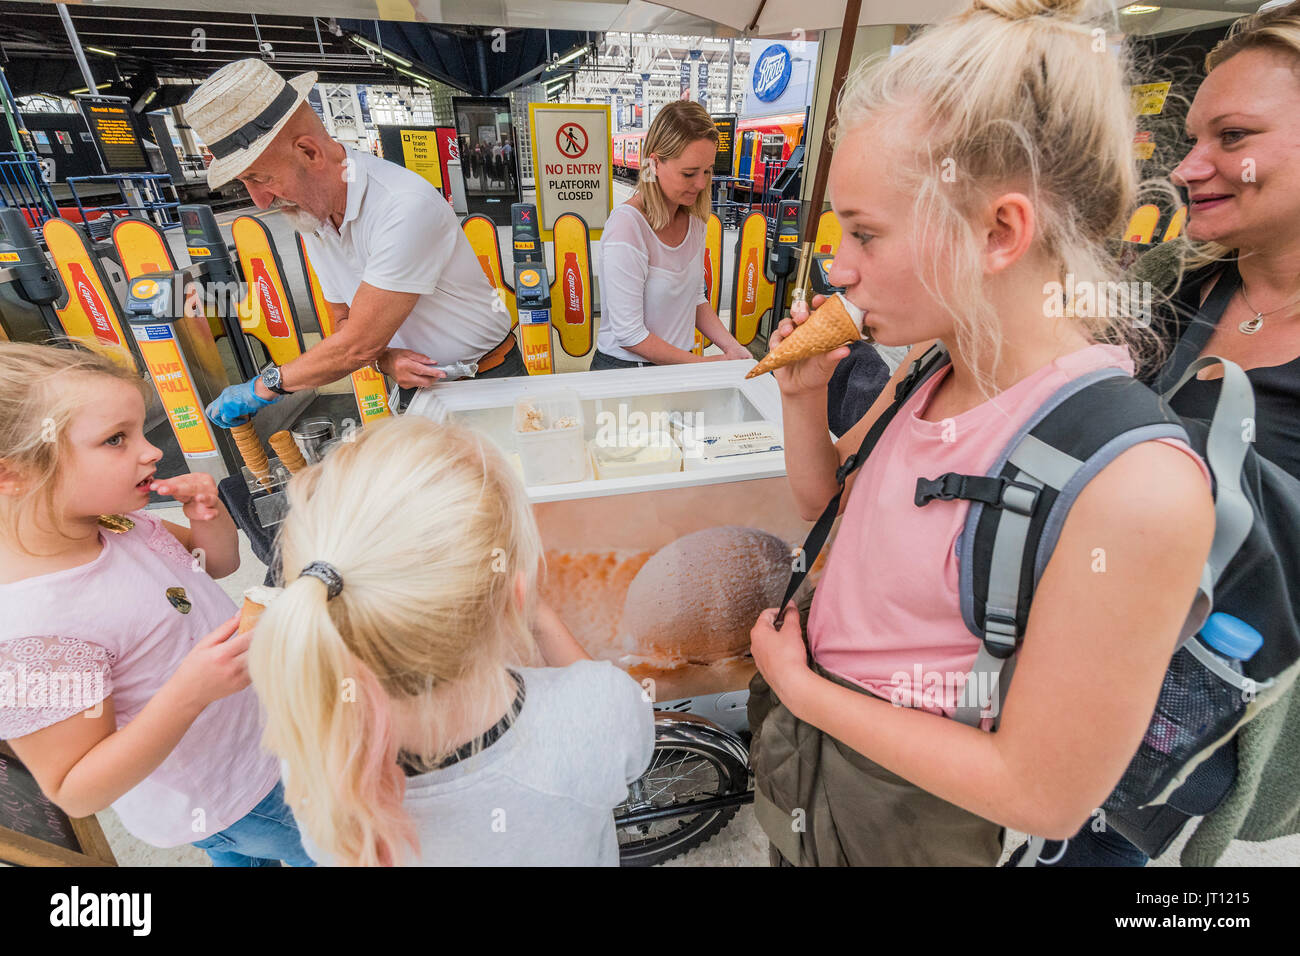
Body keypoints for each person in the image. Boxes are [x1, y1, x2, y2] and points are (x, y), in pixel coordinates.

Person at [745, 0, 1217, 866]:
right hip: (823, 786)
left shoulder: (1136, 487)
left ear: (1000, 232)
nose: (838, 268)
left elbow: (1042, 789)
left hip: (921, 822)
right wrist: (804, 401)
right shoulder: (932, 362)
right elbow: (830, 504)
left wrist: (802, 691)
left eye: (866, 233)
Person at [1024, 0, 1300, 867]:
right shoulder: (1173, 279)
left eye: (1233, 136)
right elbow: (1043, 380)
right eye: (1191, 139)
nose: (1188, 169)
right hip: (1054, 669)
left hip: (1199, 734)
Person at [248, 415, 654, 866]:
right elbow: (616, 726)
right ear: (513, 598)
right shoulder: (601, 709)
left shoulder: (317, 753)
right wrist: (536, 616)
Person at [0, 342, 312, 866]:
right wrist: (189, 692)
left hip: (260, 747)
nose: (150, 452)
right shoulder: (34, 631)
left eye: (141, 431)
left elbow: (213, 566)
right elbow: (76, 789)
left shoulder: (119, 523)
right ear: (15, 475)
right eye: (115, 439)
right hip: (231, 797)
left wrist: (208, 516)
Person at [186, 60, 524, 428]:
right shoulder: (313, 218)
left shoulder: (402, 205)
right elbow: (344, 323)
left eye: (261, 178)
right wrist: (386, 359)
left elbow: (356, 344)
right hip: (419, 391)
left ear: (309, 152)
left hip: (487, 383)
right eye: (245, 183)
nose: (261, 201)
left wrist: (264, 386)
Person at [592, 100, 752, 369]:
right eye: (689, 173)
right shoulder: (627, 227)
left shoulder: (695, 221)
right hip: (627, 372)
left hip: (678, 365)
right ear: (654, 163)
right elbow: (630, 335)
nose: (701, 184)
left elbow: (695, 299)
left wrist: (733, 347)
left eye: (708, 171)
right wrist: (704, 366)